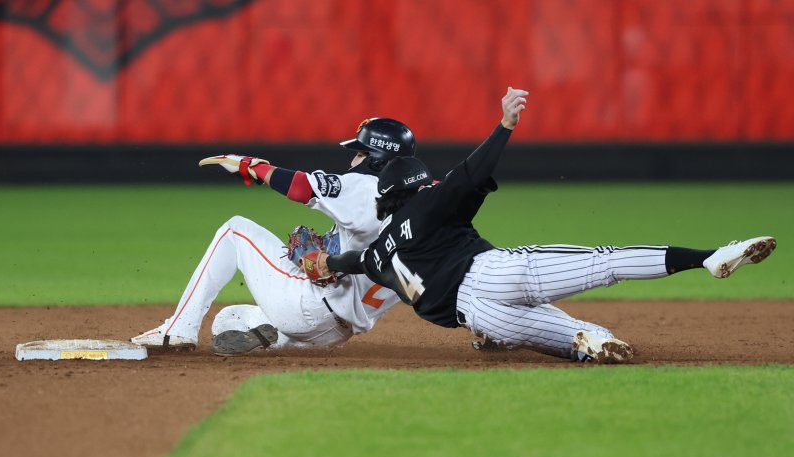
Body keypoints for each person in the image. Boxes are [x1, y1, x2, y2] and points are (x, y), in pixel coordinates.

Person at [303, 87, 777, 363]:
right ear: (416, 187)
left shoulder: (381, 249)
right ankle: (708, 258)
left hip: (476, 315)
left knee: (547, 336)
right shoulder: (430, 206)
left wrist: (327, 261)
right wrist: (505, 123)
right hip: (492, 272)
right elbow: (471, 171)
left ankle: (587, 340)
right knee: (604, 264)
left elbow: (354, 260)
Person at [130, 118, 416, 354]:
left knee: (234, 229)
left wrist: (253, 167)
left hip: (310, 306)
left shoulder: (365, 186)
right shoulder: (422, 207)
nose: (353, 160)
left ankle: (176, 330)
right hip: (337, 331)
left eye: (359, 153)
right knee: (228, 320)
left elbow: (302, 186)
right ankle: (279, 339)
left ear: (376, 160)